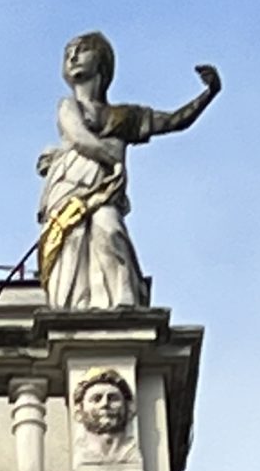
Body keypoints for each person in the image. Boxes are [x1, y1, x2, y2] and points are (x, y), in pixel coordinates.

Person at [37, 32, 219, 311]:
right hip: (70, 186)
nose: (72, 57)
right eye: (68, 53)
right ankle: (73, 307)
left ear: (102, 62)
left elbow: (173, 121)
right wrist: (113, 159)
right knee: (72, 241)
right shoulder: (67, 105)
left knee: (110, 231)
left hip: (106, 188)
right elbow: (78, 137)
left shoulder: (124, 116)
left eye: (82, 50)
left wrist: (208, 94)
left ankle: (122, 302)